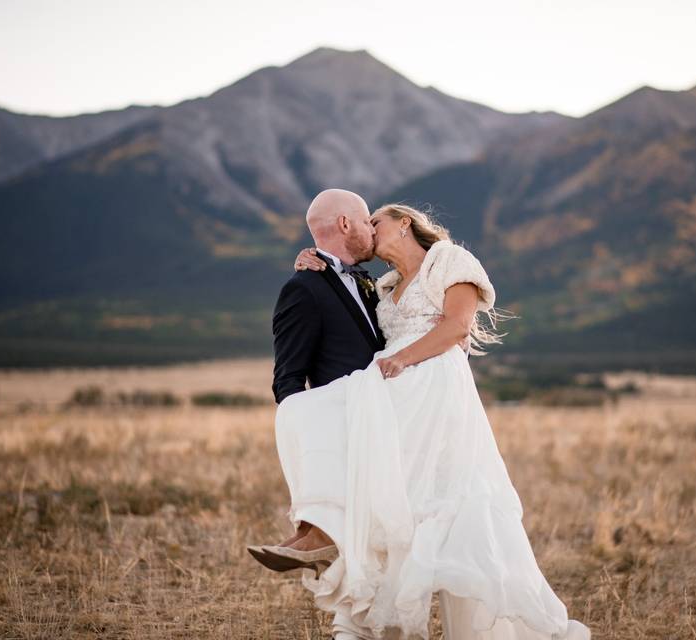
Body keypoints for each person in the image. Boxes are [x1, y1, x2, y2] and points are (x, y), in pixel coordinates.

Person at [252, 195, 590, 639]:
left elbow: (455, 327)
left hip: (427, 386)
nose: (370, 229)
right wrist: (313, 259)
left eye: (376, 221)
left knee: (429, 500)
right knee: (388, 496)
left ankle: (324, 538)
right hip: (396, 395)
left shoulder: (449, 260)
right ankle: (324, 542)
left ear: (404, 224)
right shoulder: (385, 284)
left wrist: (402, 361)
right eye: (365, 220)